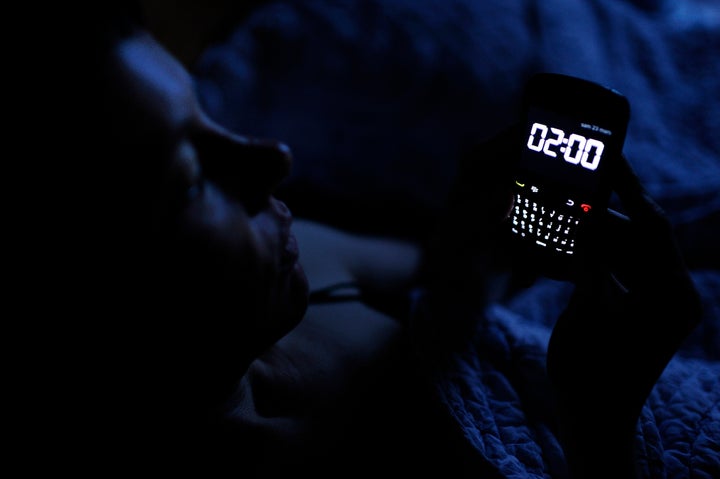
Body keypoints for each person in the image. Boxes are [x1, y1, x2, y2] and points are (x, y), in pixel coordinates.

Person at [86, 3, 702, 478]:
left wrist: (470, 228)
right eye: (194, 180)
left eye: (206, 118)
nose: (270, 158)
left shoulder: (297, 254)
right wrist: (601, 430)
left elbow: (441, 280)